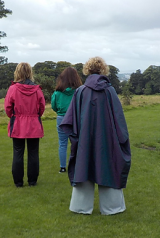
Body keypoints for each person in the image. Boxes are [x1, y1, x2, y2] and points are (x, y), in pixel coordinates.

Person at [60, 57, 131, 215]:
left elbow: (71, 120)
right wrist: (121, 138)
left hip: (84, 139)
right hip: (108, 139)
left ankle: (81, 207)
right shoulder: (109, 91)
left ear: (87, 69)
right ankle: (112, 208)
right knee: (108, 166)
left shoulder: (81, 91)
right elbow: (119, 119)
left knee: (83, 166)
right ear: (103, 69)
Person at [4, 62, 45, 187]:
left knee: (18, 152)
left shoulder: (13, 89)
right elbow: (42, 107)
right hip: (33, 123)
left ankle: (18, 182)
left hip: (18, 123)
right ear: (30, 72)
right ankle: (32, 181)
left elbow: (8, 107)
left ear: (18, 72)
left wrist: (14, 116)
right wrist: (34, 115)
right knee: (33, 153)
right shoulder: (37, 89)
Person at [51, 67, 82, 173]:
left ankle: (63, 167)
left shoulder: (57, 92)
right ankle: (78, 166)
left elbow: (54, 106)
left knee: (62, 143)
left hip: (61, 118)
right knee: (77, 143)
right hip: (75, 118)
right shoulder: (79, 91)